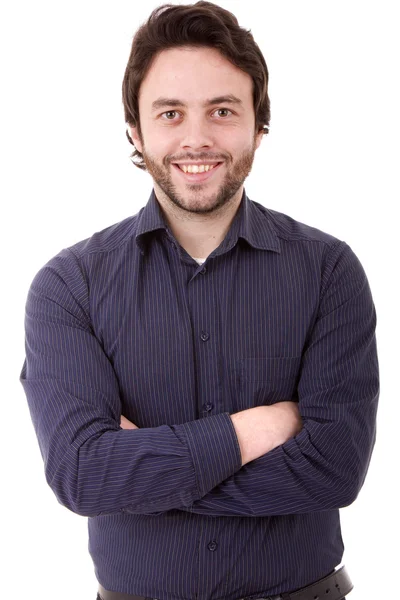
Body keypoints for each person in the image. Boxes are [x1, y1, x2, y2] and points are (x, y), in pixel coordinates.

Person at [20, 2, 379, 600]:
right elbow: (82, 474)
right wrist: (254, 430)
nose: (196, 138)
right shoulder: (69, 286)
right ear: (136, 129)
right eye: (170, 112)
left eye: (221, 110)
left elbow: (335, 468)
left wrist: (143, 472)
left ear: (258, 125)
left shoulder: (329, 271)